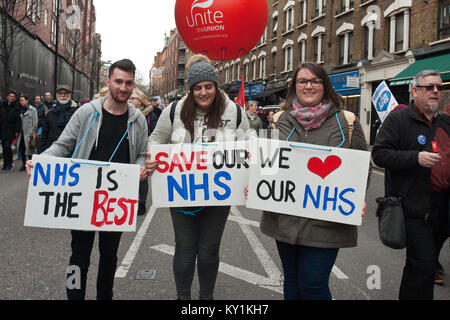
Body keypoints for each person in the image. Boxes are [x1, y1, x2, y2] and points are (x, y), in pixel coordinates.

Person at [26, 59, 149, 300]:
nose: (123, 88)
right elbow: (63, 145)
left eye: (128, 83)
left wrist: (140, 168)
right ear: (108, 81)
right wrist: (39, 161)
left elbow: (143, 154)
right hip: (83, 198)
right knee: (78, 257)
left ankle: (105, 296)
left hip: (116, 201)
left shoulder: (138, 120)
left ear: (133, 85)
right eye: (118, 81)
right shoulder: (86, 112)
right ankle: (74, 296)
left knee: (109, 257)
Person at [245, 62, 368, 300]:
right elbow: (267, 165)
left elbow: (363, 167)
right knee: (291, 279)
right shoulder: (279, 120)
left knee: (313, 284)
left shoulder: (347, 122)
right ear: (294, 86)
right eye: (302, 81)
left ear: (325, 85)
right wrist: (256, 176)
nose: (308, 86)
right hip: (285, 219)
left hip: (327, 222)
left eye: (315, 81)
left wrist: (359, 198)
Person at [146, 54, 250, 300]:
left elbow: (249, 145)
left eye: (208, 87)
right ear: (190, 89)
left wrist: (249, 173)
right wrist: (153, 157)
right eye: (197, 88)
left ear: (216, 86)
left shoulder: (234, 112)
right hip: (182, 192)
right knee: (184, 247)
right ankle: (183, 298)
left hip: (219, 194)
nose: (203, 92)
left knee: (209, 249)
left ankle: (206, 299)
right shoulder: (174, 110)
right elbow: (155, 140)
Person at [372, 70, 449, 299]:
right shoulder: (398, 120)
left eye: (438, 87)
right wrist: (415, 158)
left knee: (422, 267)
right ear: (415, 91)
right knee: (423, 265)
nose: (436, 91)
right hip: (413, 209)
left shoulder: (445, 122)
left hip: (443, 209)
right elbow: (380, 154)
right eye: (429, 87)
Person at [128, 89, 158, 216]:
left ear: (141, 102)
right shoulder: (126, 112)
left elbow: (155, 133)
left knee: (142, 177)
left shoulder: (150, 115)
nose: (130, 100)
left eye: (133, 98)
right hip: (130, 147)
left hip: (144, 149)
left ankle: (141, 201)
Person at [38, 85, 79, 153]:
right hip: (52, 152)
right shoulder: (50, 113)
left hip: (72, 152)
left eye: (66, 93)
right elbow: (44, 135)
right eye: (60, 93)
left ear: (70, 95)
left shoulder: (78, 112)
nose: (63, 95)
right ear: (56, 95)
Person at [0, 91, 21, 172]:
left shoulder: (16, 107)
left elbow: (18, 120)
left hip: (11, 129)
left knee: (7, 146)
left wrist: (17, 131)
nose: (11, 98)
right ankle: (5, 165)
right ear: (7, 96)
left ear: (15, 98)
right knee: (4, 147)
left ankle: (10, 164)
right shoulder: (2, 105)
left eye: (13, 96)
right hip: (2, 129)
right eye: (10, 96)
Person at [17, 95, 38, 170]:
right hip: (21, 132)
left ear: (27, 100)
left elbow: (35, 122)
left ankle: (31, 163)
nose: (21, 102)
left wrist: (33, 132)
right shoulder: (19, 109)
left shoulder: (33, 110)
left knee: (30, 148)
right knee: (22, 148)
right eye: (20, 101)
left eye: (22, 100)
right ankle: (24, 164)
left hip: (29, 132)